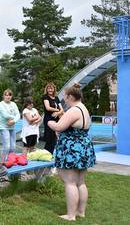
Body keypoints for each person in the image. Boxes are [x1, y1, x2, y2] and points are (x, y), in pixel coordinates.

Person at [48, 83, 95, 221]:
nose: (65, 100)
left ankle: (71, 215)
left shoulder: (74, 110)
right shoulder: (84, 108)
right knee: (80, 182)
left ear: (70, 96)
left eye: (65, 98)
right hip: (83, 147)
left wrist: (50, 123)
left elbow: (59, 126)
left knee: (70, 182)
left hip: (72, 149)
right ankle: (80, 212)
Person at [0, 89, 20, 165]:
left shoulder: (13, 104)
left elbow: (18, 115)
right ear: (3, 96)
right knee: (6, 146)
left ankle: (11, 161)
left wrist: (13, 121)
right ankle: (2, 162)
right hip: (4, 127)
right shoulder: (1, 104)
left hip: (12, 127)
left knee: (13, 146)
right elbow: (5, 115)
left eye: (9, 95)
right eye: (6, 95)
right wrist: (14, 117)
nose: (8, 96)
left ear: (11, 96)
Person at [42, 82, 64, 153]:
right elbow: (48, 108)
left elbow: (62, 110)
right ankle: (46, 153)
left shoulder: (57, 98)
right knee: (49, 137)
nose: (50, 90)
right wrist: (57, 110)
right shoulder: (45, 97)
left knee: (54, 138)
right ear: (46, 89)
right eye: (48, 88)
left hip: (56, 120)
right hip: (48, 119)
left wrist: (57, 112)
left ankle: (50, 153)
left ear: (54, 89)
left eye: (51, 88)